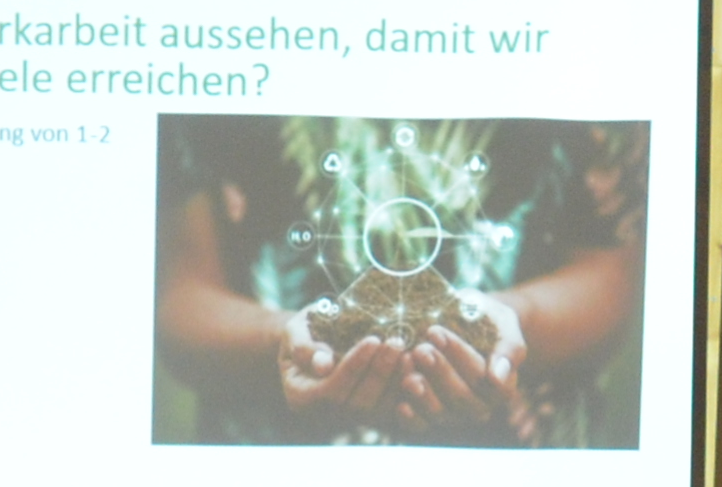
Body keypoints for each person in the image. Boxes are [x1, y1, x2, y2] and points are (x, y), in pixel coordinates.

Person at [150, 116, 649, 449]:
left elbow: (611, 274)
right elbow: (182, 293)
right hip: (267, 482)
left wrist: (510, 326)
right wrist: (282, 340)